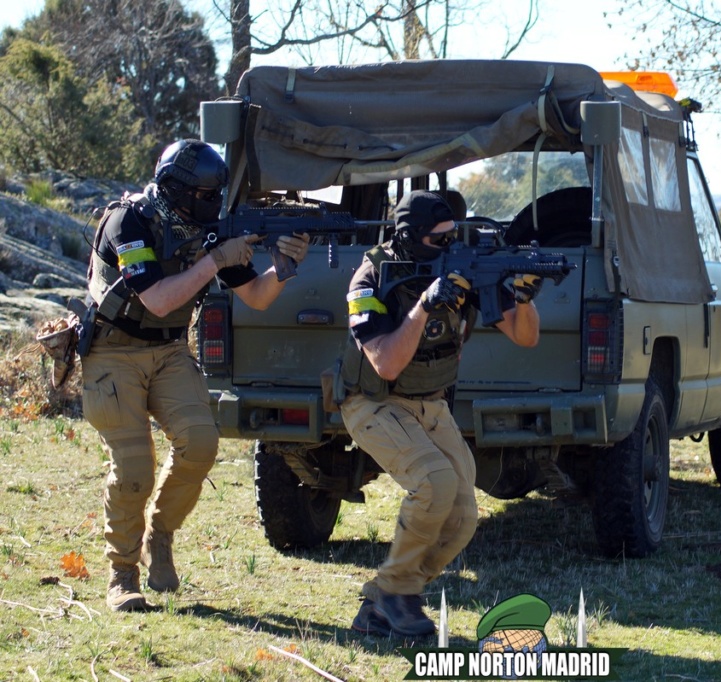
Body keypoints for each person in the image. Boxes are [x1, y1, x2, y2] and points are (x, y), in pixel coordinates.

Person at [81, 139, 310, 612]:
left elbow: (259, 297)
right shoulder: (130, 222)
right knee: (133, 470)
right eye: (203, 196)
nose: (211, 205)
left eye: (215, 196)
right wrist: (216, 260)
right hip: (112, 352)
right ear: (175, 191)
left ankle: (159, 538)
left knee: (201, 442)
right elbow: (158, 300)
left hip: (166, 351)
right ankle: (122, 575)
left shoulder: (210, 232)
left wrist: (284, 268)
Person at [340, 190, 544, 637]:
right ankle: (397, 596)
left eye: (453, 236)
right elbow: (386, 363)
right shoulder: (369, 279)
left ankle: (383, 600)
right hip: (374, 402)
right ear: (409, 238)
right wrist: (425, 304)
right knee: (434, 484)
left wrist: (523, 297)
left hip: (430, 403)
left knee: (462, 518)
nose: (450, 246)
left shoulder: (460, 266)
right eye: (439, 240)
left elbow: (525, 338)